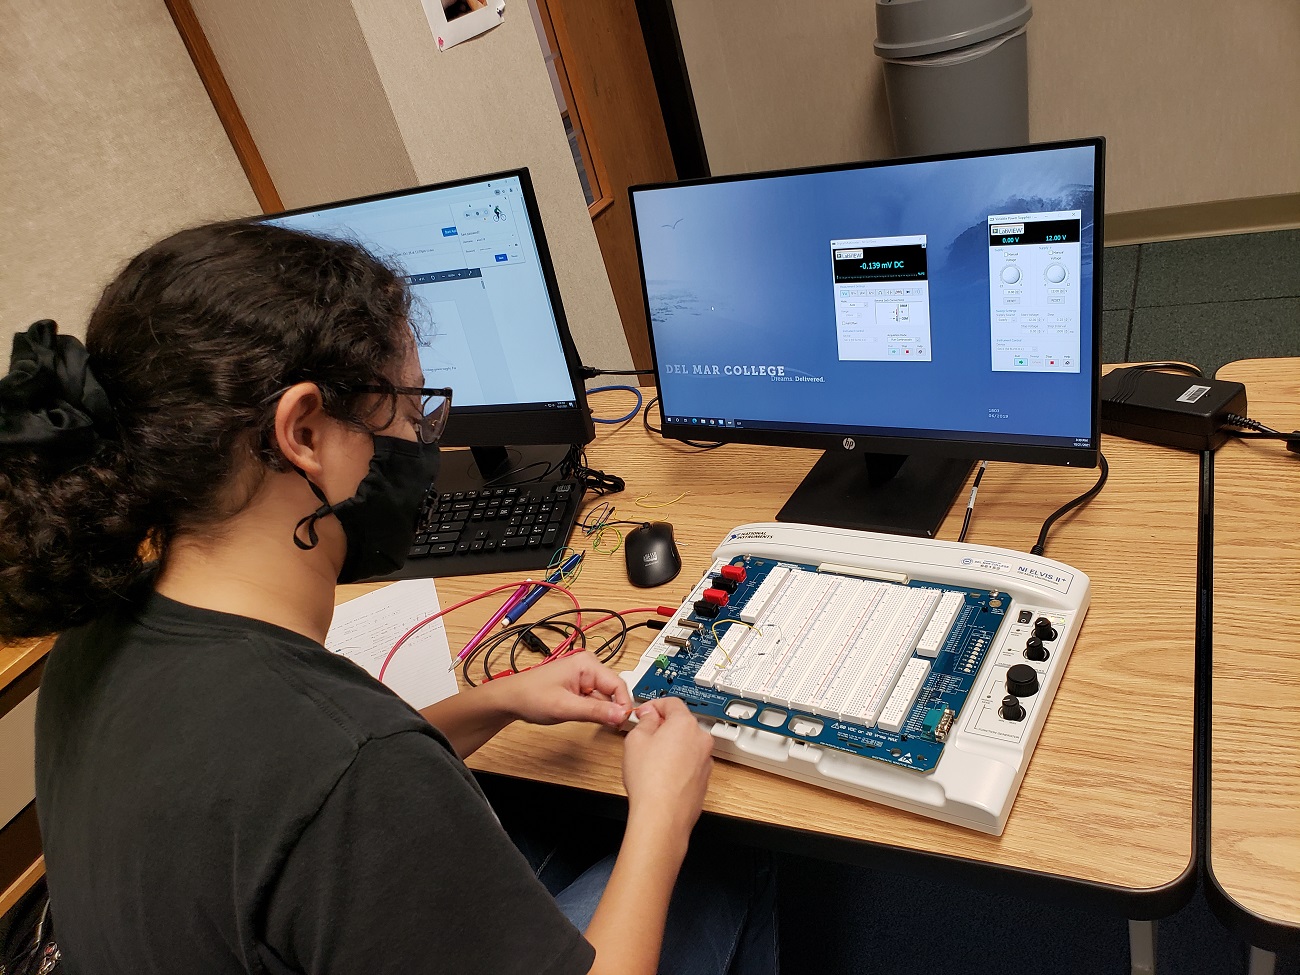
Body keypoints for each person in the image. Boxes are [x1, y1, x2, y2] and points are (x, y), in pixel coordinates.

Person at [0, 222, 776, 974]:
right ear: (302, 430)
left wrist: (496, 699)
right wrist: (663, 815)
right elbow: (346, 786)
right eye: (410, 412)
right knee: (728, 859)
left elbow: (307, 801)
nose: (424, 442)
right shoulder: (352, 768)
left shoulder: (97, 630)